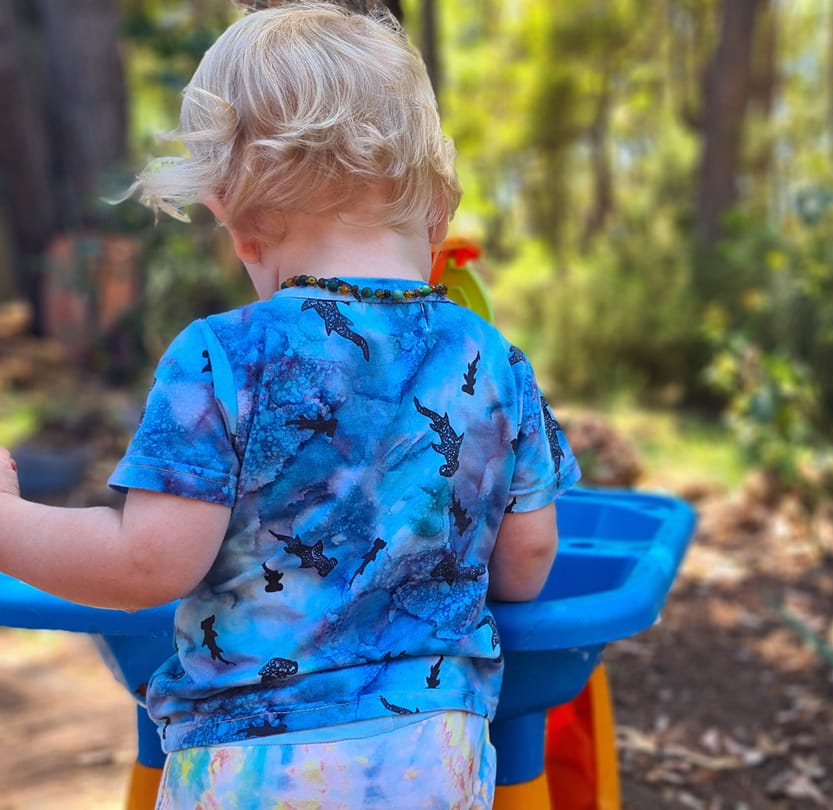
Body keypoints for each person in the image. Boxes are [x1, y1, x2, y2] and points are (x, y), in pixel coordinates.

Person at [0, 3, 580, 806]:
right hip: (432, 757)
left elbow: (147, 564)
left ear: (242, 231)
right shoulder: (492, 360)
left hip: (258, 761)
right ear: (438, 210)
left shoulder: (225, 355)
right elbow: (527, 560)